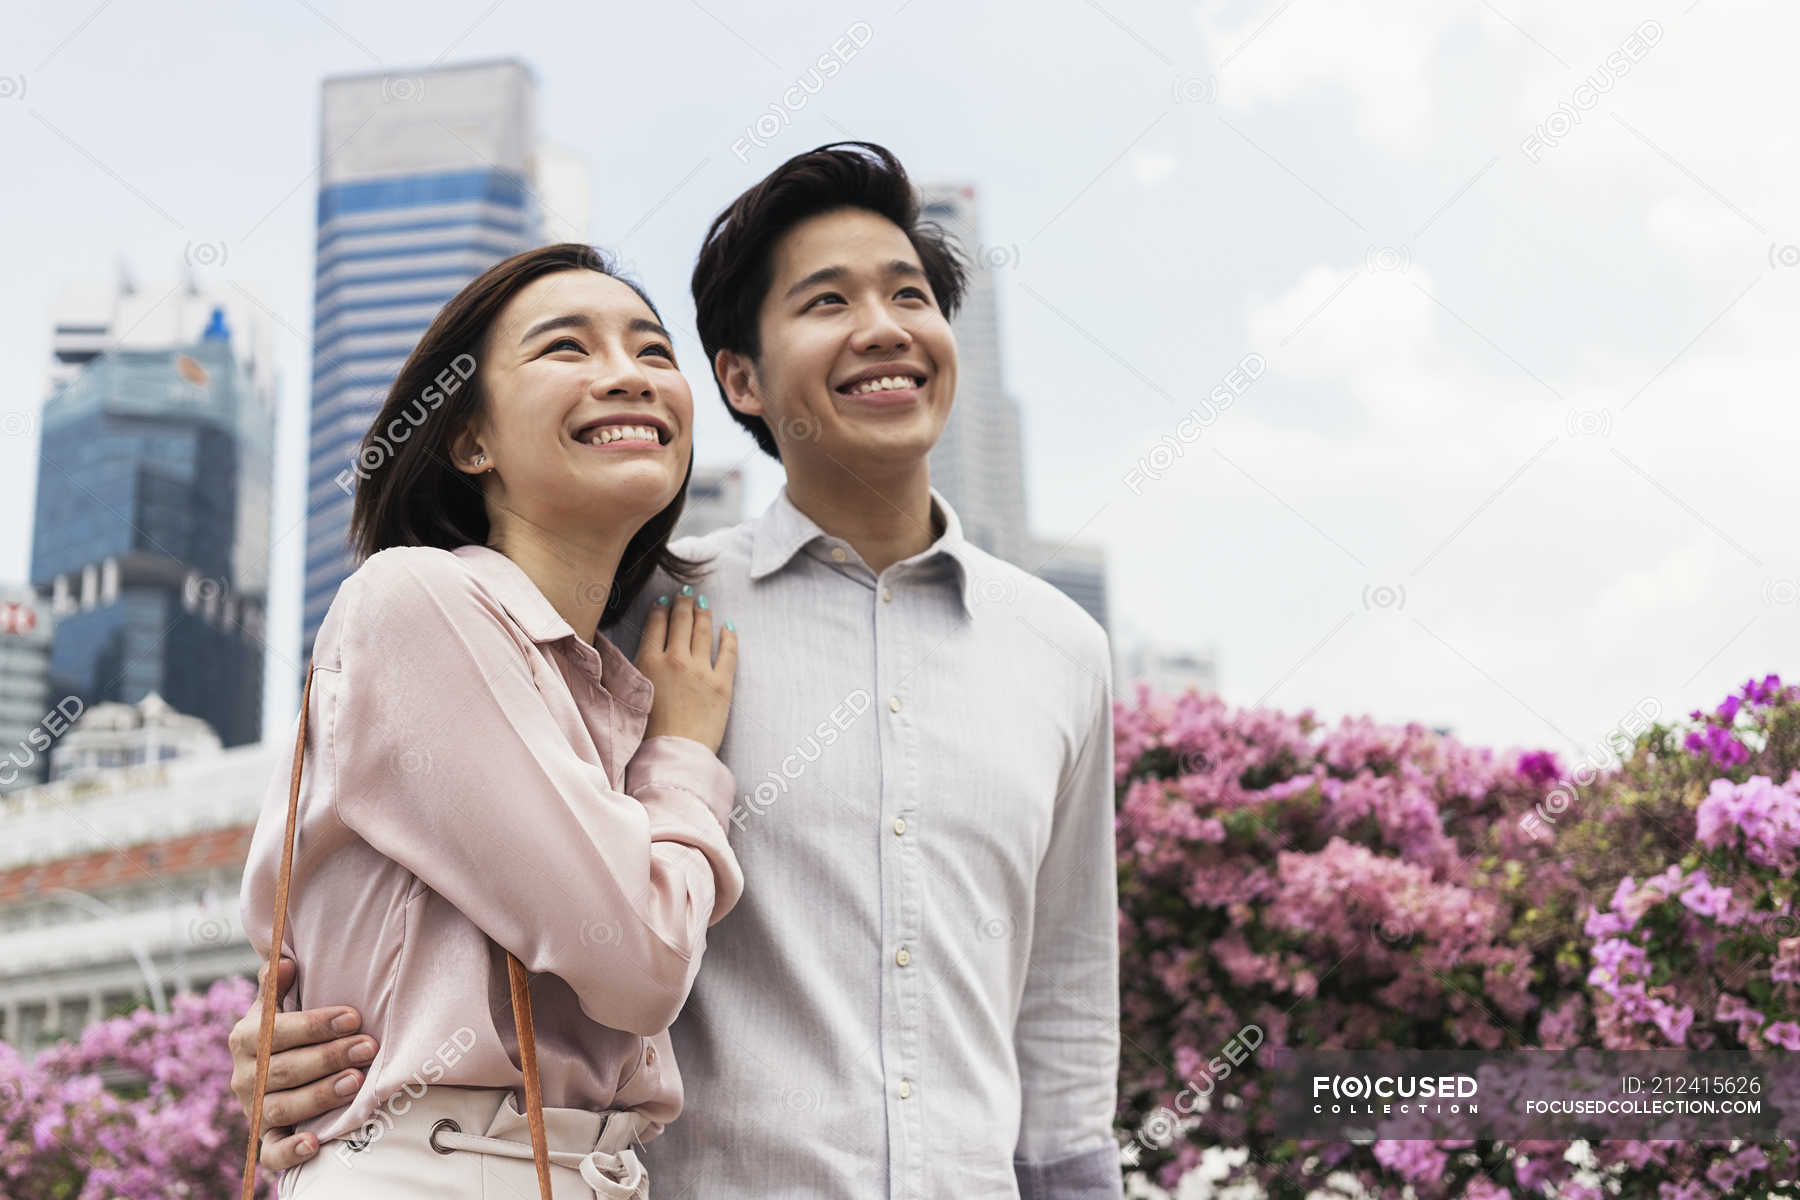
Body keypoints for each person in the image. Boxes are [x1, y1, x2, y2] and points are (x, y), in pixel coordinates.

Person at [233, 143, 1123, 1198]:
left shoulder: (1062, 650)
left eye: (909, 293)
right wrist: (287, 1034)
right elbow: (387, 864)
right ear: (740, 378)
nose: (883, 327)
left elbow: (1064, 992)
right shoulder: (641, 617)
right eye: (827, 301)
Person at [235, 243, 743, 1197]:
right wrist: (682, 757)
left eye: (653, 351)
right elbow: (638, 965)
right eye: (566, 349)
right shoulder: (416, 597)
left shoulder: (601, 684)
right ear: (471, 441)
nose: (627, 375)